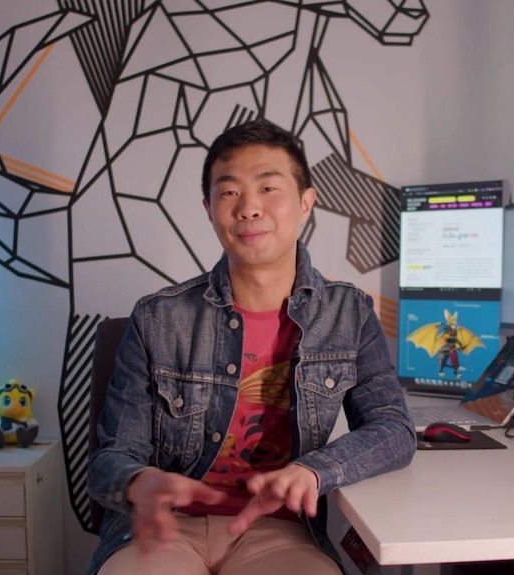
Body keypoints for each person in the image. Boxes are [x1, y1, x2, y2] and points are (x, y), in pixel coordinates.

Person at [86, 118, 417, 575]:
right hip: (165, 530)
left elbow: (394, 429)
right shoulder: (157, 318)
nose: (249, 208)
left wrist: (315, 470)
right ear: (209, 208)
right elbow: (110, 459)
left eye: (268, 188)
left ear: (306, 203)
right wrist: (141, 481)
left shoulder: (349, 313)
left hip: (277, 532)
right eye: (229, 192)